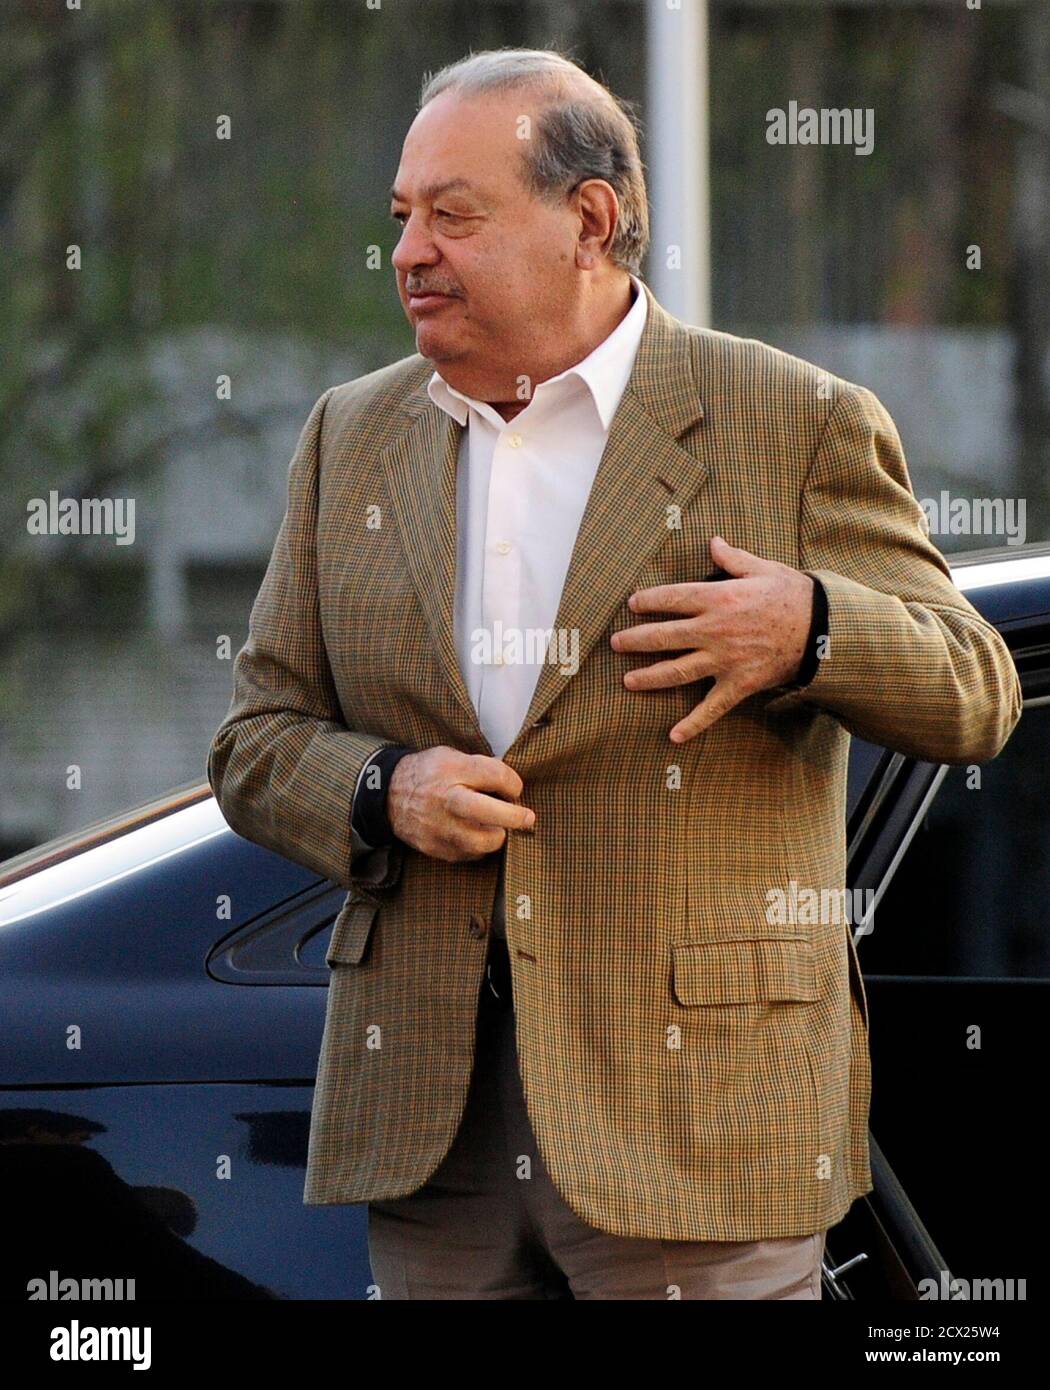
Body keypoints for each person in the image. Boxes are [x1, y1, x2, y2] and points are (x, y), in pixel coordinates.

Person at [207, 47, 1022, 1299]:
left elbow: (976, 686)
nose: (409, 252)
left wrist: (808, 629)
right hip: (434, 1129)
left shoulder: (795, 420)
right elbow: (255, 739)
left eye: (453, 215)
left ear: (590, 220)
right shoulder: (349, 436)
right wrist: (384, 788)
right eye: (402, 216)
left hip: (700, 1128)